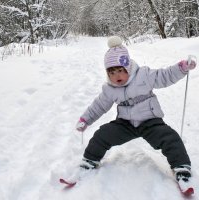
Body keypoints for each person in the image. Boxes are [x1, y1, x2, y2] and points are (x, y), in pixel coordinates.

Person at [75, 36, 196, 188]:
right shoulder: (109, 89)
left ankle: (181, 167)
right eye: (112, 73)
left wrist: (181, 68)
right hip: (125, 124)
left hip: (150, 121)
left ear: (128, 67)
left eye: (120, 70)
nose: (117, 76)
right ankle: (90, 160)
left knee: (170, 137)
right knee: (102, 134)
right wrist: (85, 120)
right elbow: (99, 106)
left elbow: (165, 76)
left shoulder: (144, 75)